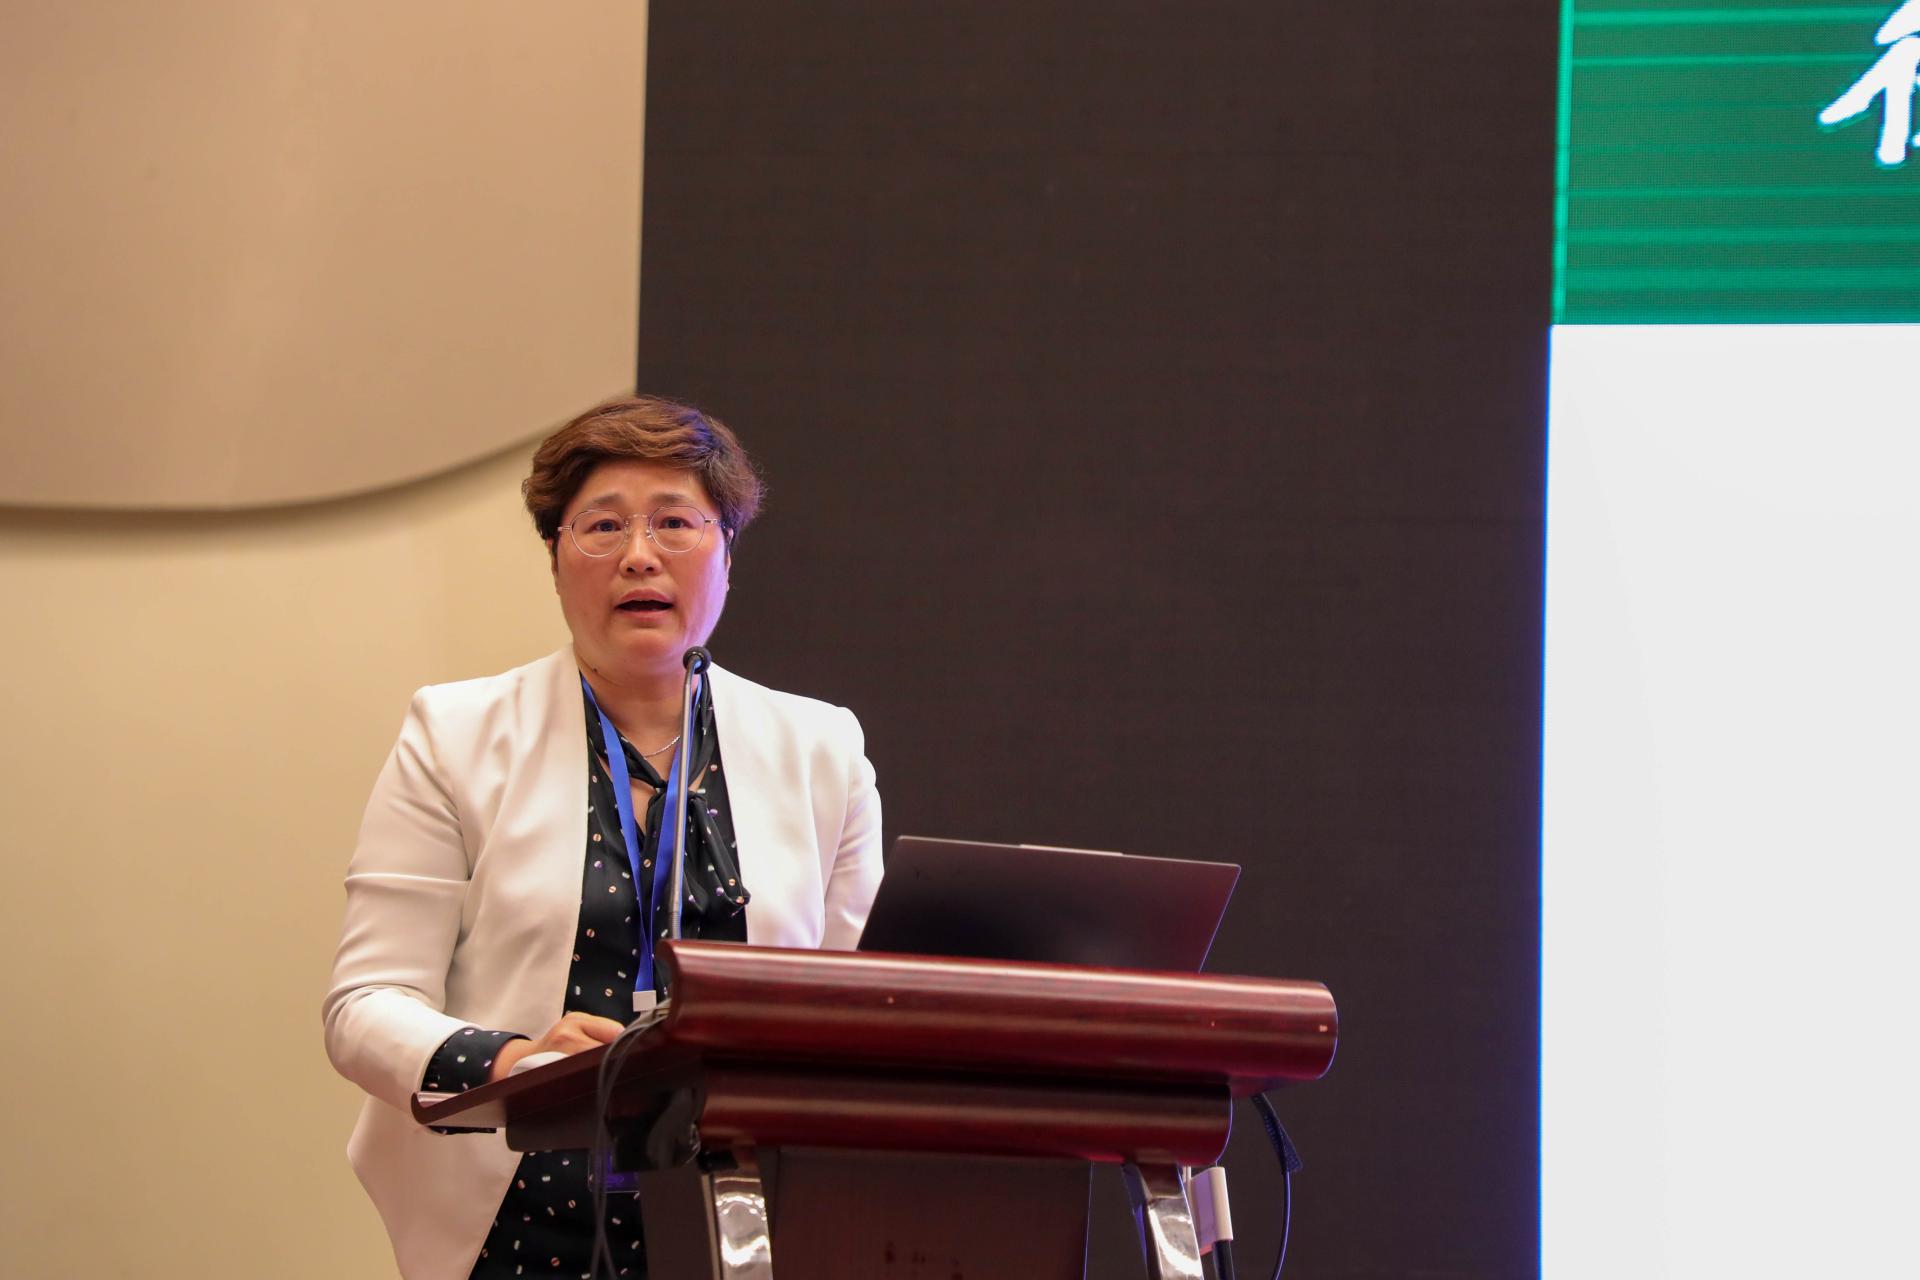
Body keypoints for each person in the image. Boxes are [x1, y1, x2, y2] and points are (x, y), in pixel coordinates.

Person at [322, 396, 884, 1280]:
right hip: (515, 1226)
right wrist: (515, 1062)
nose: (639, 554)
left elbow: (858, 1014)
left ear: (726, 553)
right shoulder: (455, 734)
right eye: (603, 526)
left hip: (748, 1223)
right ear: (555, 559)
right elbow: (364, 1007)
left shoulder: (822, 748)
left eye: (675, 522)